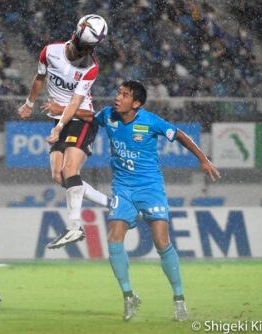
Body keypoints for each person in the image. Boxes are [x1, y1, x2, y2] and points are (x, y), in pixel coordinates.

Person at [94, 80, 221, 321]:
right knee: (113, 240)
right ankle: (129, 296)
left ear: (136, 103)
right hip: (122, 189)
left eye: (124, 95)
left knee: (162, 242)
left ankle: (179, 300)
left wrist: (203, 159)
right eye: (118, 92)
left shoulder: (150, 121)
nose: (118, 97)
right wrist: (62, 113)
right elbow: (87, 117)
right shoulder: (108, 115)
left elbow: (181, 135)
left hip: (150, 188)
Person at [17, 14, 110, 249]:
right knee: (59, 176)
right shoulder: (50, 52)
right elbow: (40, 78)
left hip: (81, 118)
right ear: (73, 36)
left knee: (70, 170)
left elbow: (76, 102)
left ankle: (74, 227)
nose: (83, 53)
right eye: (82, 47)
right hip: (60, 118)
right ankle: (111, 203)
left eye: (89, 48)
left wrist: (59, 126)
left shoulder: (91, 67)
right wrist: (29, 103)